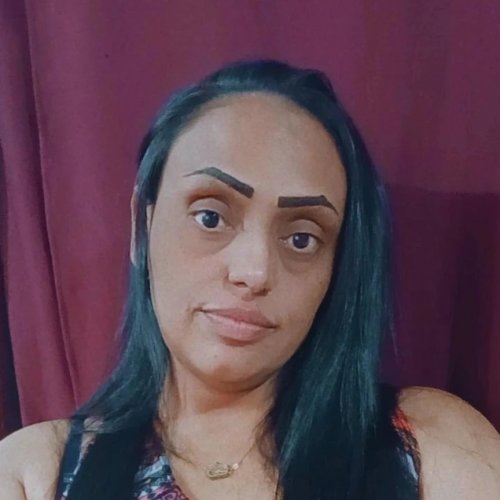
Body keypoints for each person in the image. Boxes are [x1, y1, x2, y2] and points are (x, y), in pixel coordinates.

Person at [0, 59, 498, 500]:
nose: (254, 272)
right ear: (141, 228)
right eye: (211, 217)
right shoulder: (36, 473)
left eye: (301, 238)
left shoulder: (427, 446)